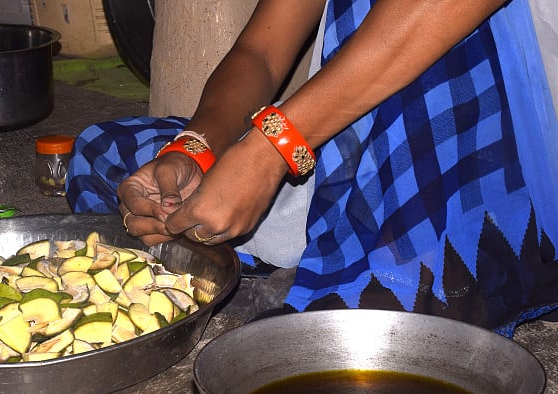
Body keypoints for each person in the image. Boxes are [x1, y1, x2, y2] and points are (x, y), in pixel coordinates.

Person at [66, 0, 558, 336]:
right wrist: (194, 150)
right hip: (349, 135)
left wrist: (269, 150)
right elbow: (260, 52)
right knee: (104, 153)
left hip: (501, 148)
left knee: (352, 345)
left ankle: (424, 274)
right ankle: (340, 247)